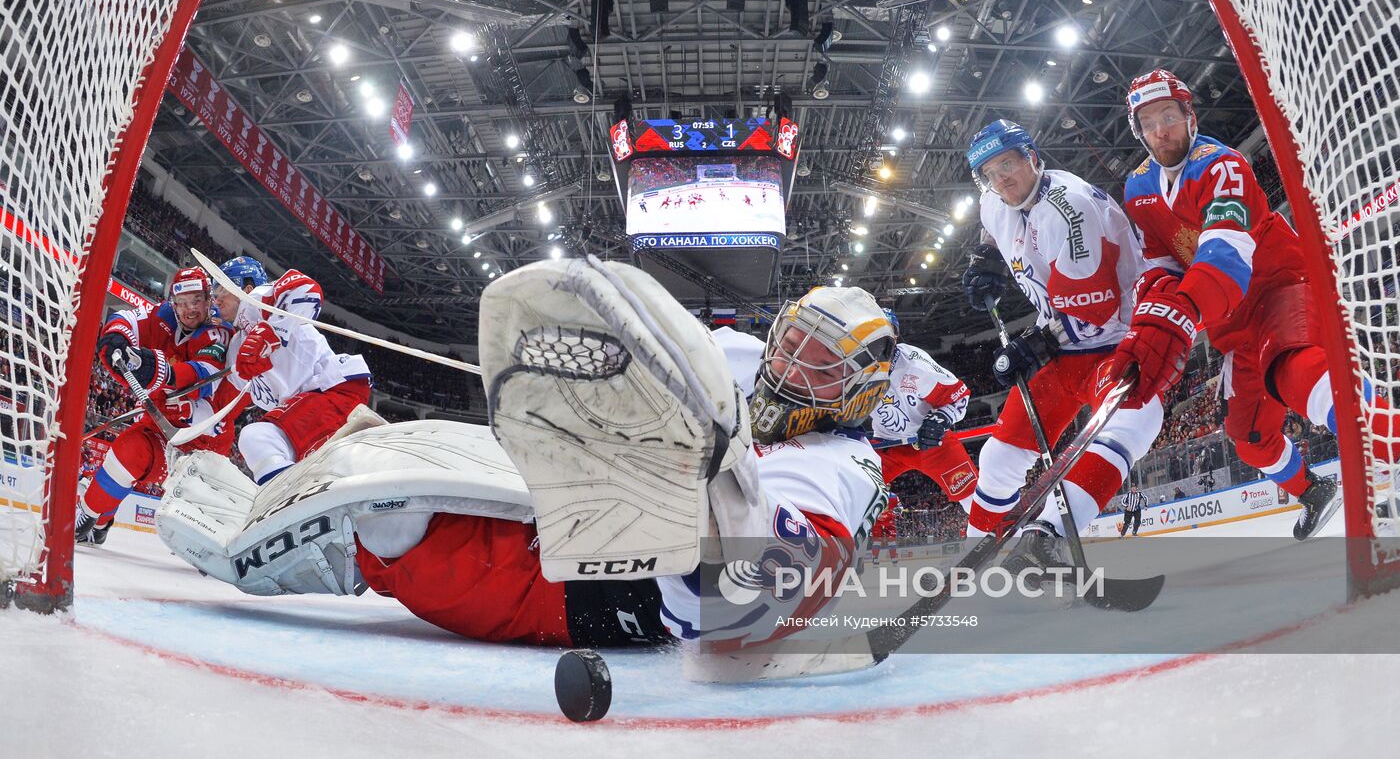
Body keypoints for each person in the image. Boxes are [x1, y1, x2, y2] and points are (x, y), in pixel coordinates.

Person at [156, 269, 898, 657]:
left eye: (818, 365)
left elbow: (754, 591)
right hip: (580, 499)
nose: (786, 366)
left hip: (621, 589)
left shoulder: (840, 464)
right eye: (791, 341)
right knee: (377, 447)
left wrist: (699, 469)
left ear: (856, 392)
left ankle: (349, 549)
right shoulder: (737, 356)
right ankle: (330, 508)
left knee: (403, 530)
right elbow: (652, 348)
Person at [1113, 69, 1398, 539]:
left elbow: (1225, 258)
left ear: (1189, 115)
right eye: (1149, 122)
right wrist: (1152, 322)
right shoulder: (1138, 189)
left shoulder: (1220, 165)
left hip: (1279, 287)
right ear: (1138, 130)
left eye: (1169, 115)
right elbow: (1160, 265)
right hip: (1233, 323)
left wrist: (1183, 315)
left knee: (1296, 372)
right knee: (1248, 438)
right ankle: (1314, 491)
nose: (1161, 129)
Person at [961, 119, 1165, 581]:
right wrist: (986, 257)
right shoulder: (994, 195)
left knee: (1136, 420)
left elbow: (1096, 311)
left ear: (1033, 156)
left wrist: (1036, 343)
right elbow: (992, 225)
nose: (1001, 179)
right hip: (1064, 345)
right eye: (989, 172)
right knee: (999, 457)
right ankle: (971, 559)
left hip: (1116, 342)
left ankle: (1045, 538)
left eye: (1009, 164)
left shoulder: (1069, 210)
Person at [75, 267, 236, 545]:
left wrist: (158, 371)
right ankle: (95, 520)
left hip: (202, 445)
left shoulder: (219, 331)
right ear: (173, 303)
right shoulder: (162, 316)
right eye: (183, 302)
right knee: (127, 454)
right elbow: (124, 318)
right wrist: (115, 339)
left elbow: (204, 376)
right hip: (160, 428)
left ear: (209, 300)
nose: (190, 309)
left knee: (202, 537)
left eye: (197, 300)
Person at [209, 256, 372, 484]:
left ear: (245, 287)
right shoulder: (237, 345)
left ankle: (284, 504)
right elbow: (226, 397)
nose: (215, 300)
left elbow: (306, 288)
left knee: (258, 437)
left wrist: (270, 333)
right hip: (309, 411)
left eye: (221, 289)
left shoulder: (258, 301)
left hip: (329, 392)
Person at [870, 309, 979, 545]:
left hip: (928, 443)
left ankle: (1002, 538)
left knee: (974, 498)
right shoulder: (849, 367)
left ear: (894, 338)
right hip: (884, 445)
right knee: (852, 493)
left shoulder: (916, 367)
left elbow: (958, 397)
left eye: (882, 338)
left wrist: (939, 420)